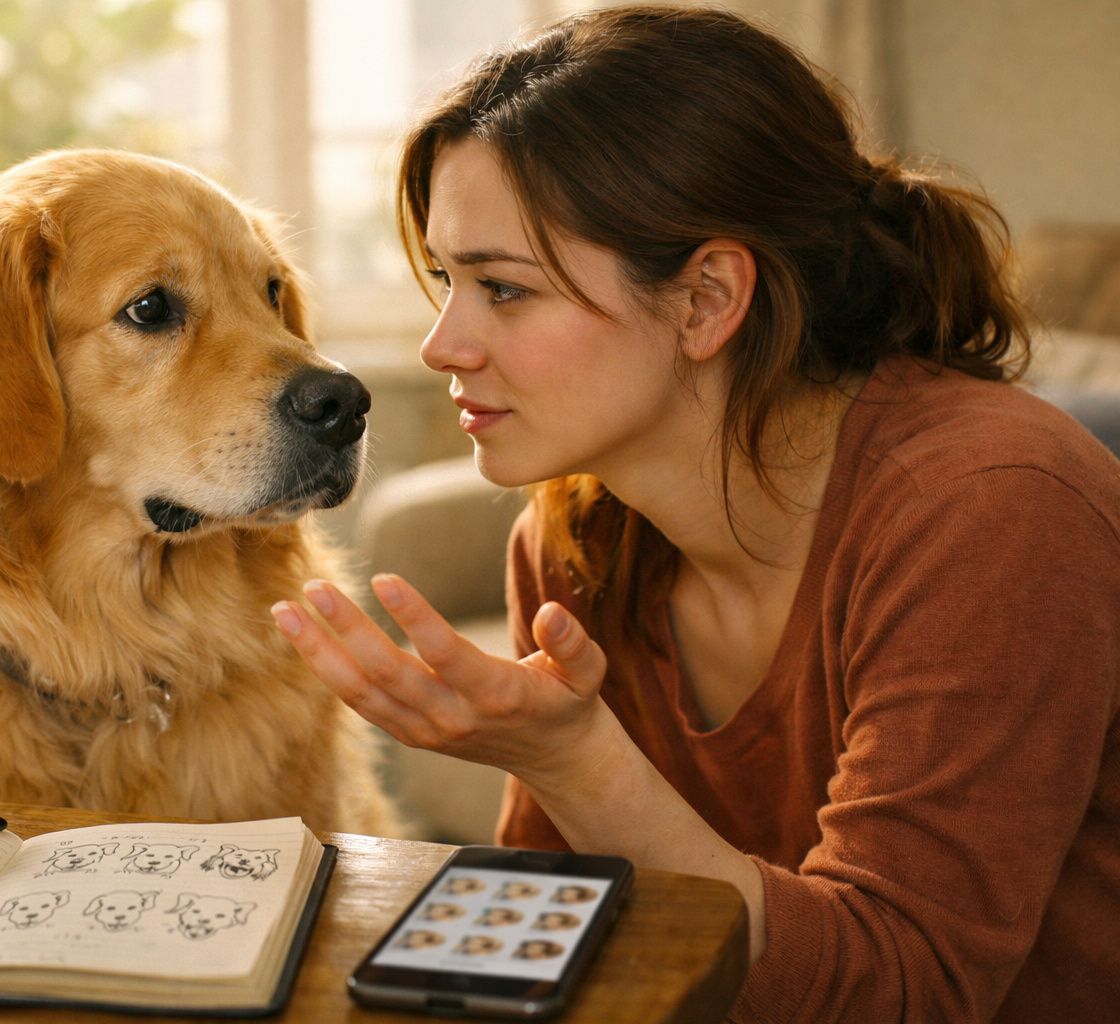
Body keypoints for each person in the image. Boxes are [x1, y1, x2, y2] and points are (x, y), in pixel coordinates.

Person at [268, 6, 1120, 1022]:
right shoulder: (576, 534)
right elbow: (560, 945)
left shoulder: (994, 507)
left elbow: (900, 991)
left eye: (503, 288)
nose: (440, 344)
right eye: (448, 280)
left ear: (708, 298)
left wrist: (574, 758)